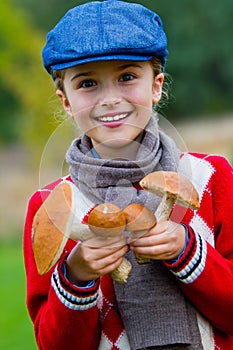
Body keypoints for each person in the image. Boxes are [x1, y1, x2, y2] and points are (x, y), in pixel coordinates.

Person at [23, 1, 233, 349]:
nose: (110, 99)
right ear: (65, 101)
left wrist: (188, 251)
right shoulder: (51, 206)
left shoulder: (211, 177)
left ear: (156, 85)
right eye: (88, 83)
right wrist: (75, 276)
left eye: (127, 77)